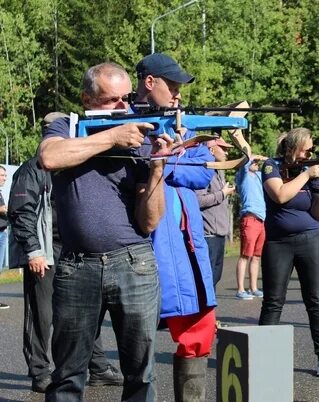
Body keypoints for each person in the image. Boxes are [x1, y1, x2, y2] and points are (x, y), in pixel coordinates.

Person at [38, 62, 172, 401]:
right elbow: (50, 157)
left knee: (141, 374)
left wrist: (157, 167)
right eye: (111, 100)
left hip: (134, 263)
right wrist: (112, 136)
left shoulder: (138, 137)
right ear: (87, 98)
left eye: (126, 98)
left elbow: (150, 221)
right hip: (76, 266)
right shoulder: (65, 125)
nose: (122, 107)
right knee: (68, 374)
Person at [134, 52, 217, 402]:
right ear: (149, 83)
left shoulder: (186, 127)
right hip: (142, 244)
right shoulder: (121, 125)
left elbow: (204, 171)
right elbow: (133, 168)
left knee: (198, 330)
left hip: (186, 247)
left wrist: (168, 161)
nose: (179, 94)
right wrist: (167, 158)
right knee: (138, 343)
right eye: (173, 86)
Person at [8, 141, 122, 392]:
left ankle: (99, 367)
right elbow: (20, 211)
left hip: (76, 250)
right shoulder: (33, 168)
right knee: (42, 314)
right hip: (46, 251)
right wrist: (34, 251)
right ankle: (40, 373)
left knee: (86, 312)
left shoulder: (76, 162)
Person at [259, 127, 319, 377]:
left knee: (316, 300)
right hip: (278, 243)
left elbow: (318, 213)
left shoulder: (312, 172)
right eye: (306, 149)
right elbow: (280, 195)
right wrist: (305, 175)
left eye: (311, 150)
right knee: (273, 302)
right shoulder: (271, 166)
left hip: (309, 240)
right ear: (293, 147)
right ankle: (263, 358)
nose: (309, 153)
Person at [196, 138, 236, 289]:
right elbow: (198, 201)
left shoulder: (219, 170)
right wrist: (222, 193)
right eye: (223, 148)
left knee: (215, 278)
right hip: (208, 236)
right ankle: (204, 313)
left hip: (219, 235)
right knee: (207, 281)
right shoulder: (204, 170)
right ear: (212, 150)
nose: (227, 151)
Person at [234, 156, 267, 299]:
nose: (256, 163)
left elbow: (273, 168)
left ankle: (253, 288)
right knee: (245, 255)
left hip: (262, 220)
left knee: (257, 256)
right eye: (253, 162)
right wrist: (252, 157)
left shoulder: (260, 176)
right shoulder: (243, 176)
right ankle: (240, 290)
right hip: (250, 218)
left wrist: (265, 159)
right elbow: (244, 164)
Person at [0, 165, 9, 309]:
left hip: (2, 231)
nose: (4, 178)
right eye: (2, 175)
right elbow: (2, 209)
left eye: (5, 176)